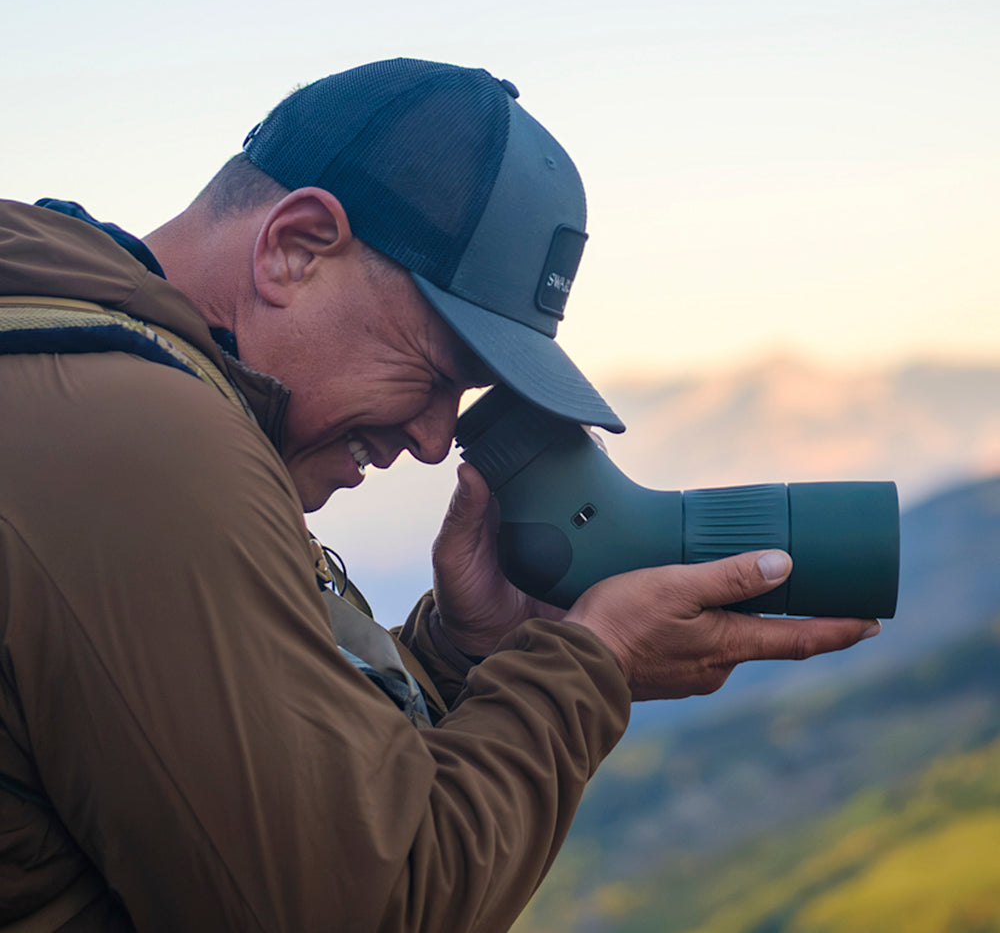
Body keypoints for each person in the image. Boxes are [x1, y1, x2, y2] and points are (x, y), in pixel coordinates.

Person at [0, 58, 879, 932]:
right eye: (432, 373)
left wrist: (464, 657)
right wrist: (590, 668)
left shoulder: (66, 377)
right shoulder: (135, 442)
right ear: (296, 248)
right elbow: (359, 910)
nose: (430, 441)